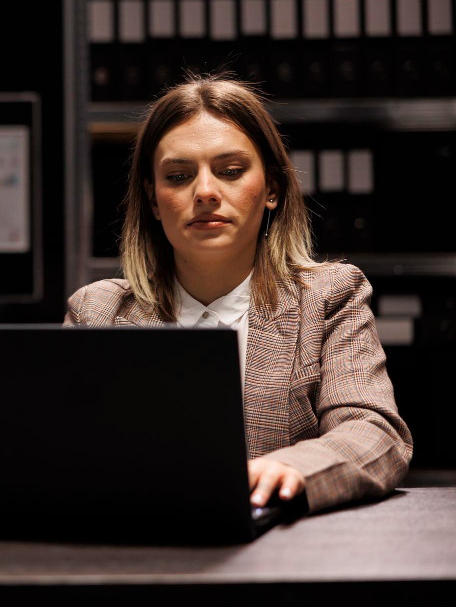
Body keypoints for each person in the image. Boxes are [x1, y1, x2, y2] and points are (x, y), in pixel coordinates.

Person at [64, 74, 412, 514]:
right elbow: (59, 451)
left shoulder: (329, 297)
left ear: (271, 188)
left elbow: (374, 432)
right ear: (153, 200)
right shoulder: (97, 312)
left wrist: (296, 466)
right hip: (141, 559)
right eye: (178, 175)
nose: (206, 192)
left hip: (286, 560)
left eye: (230, 171)